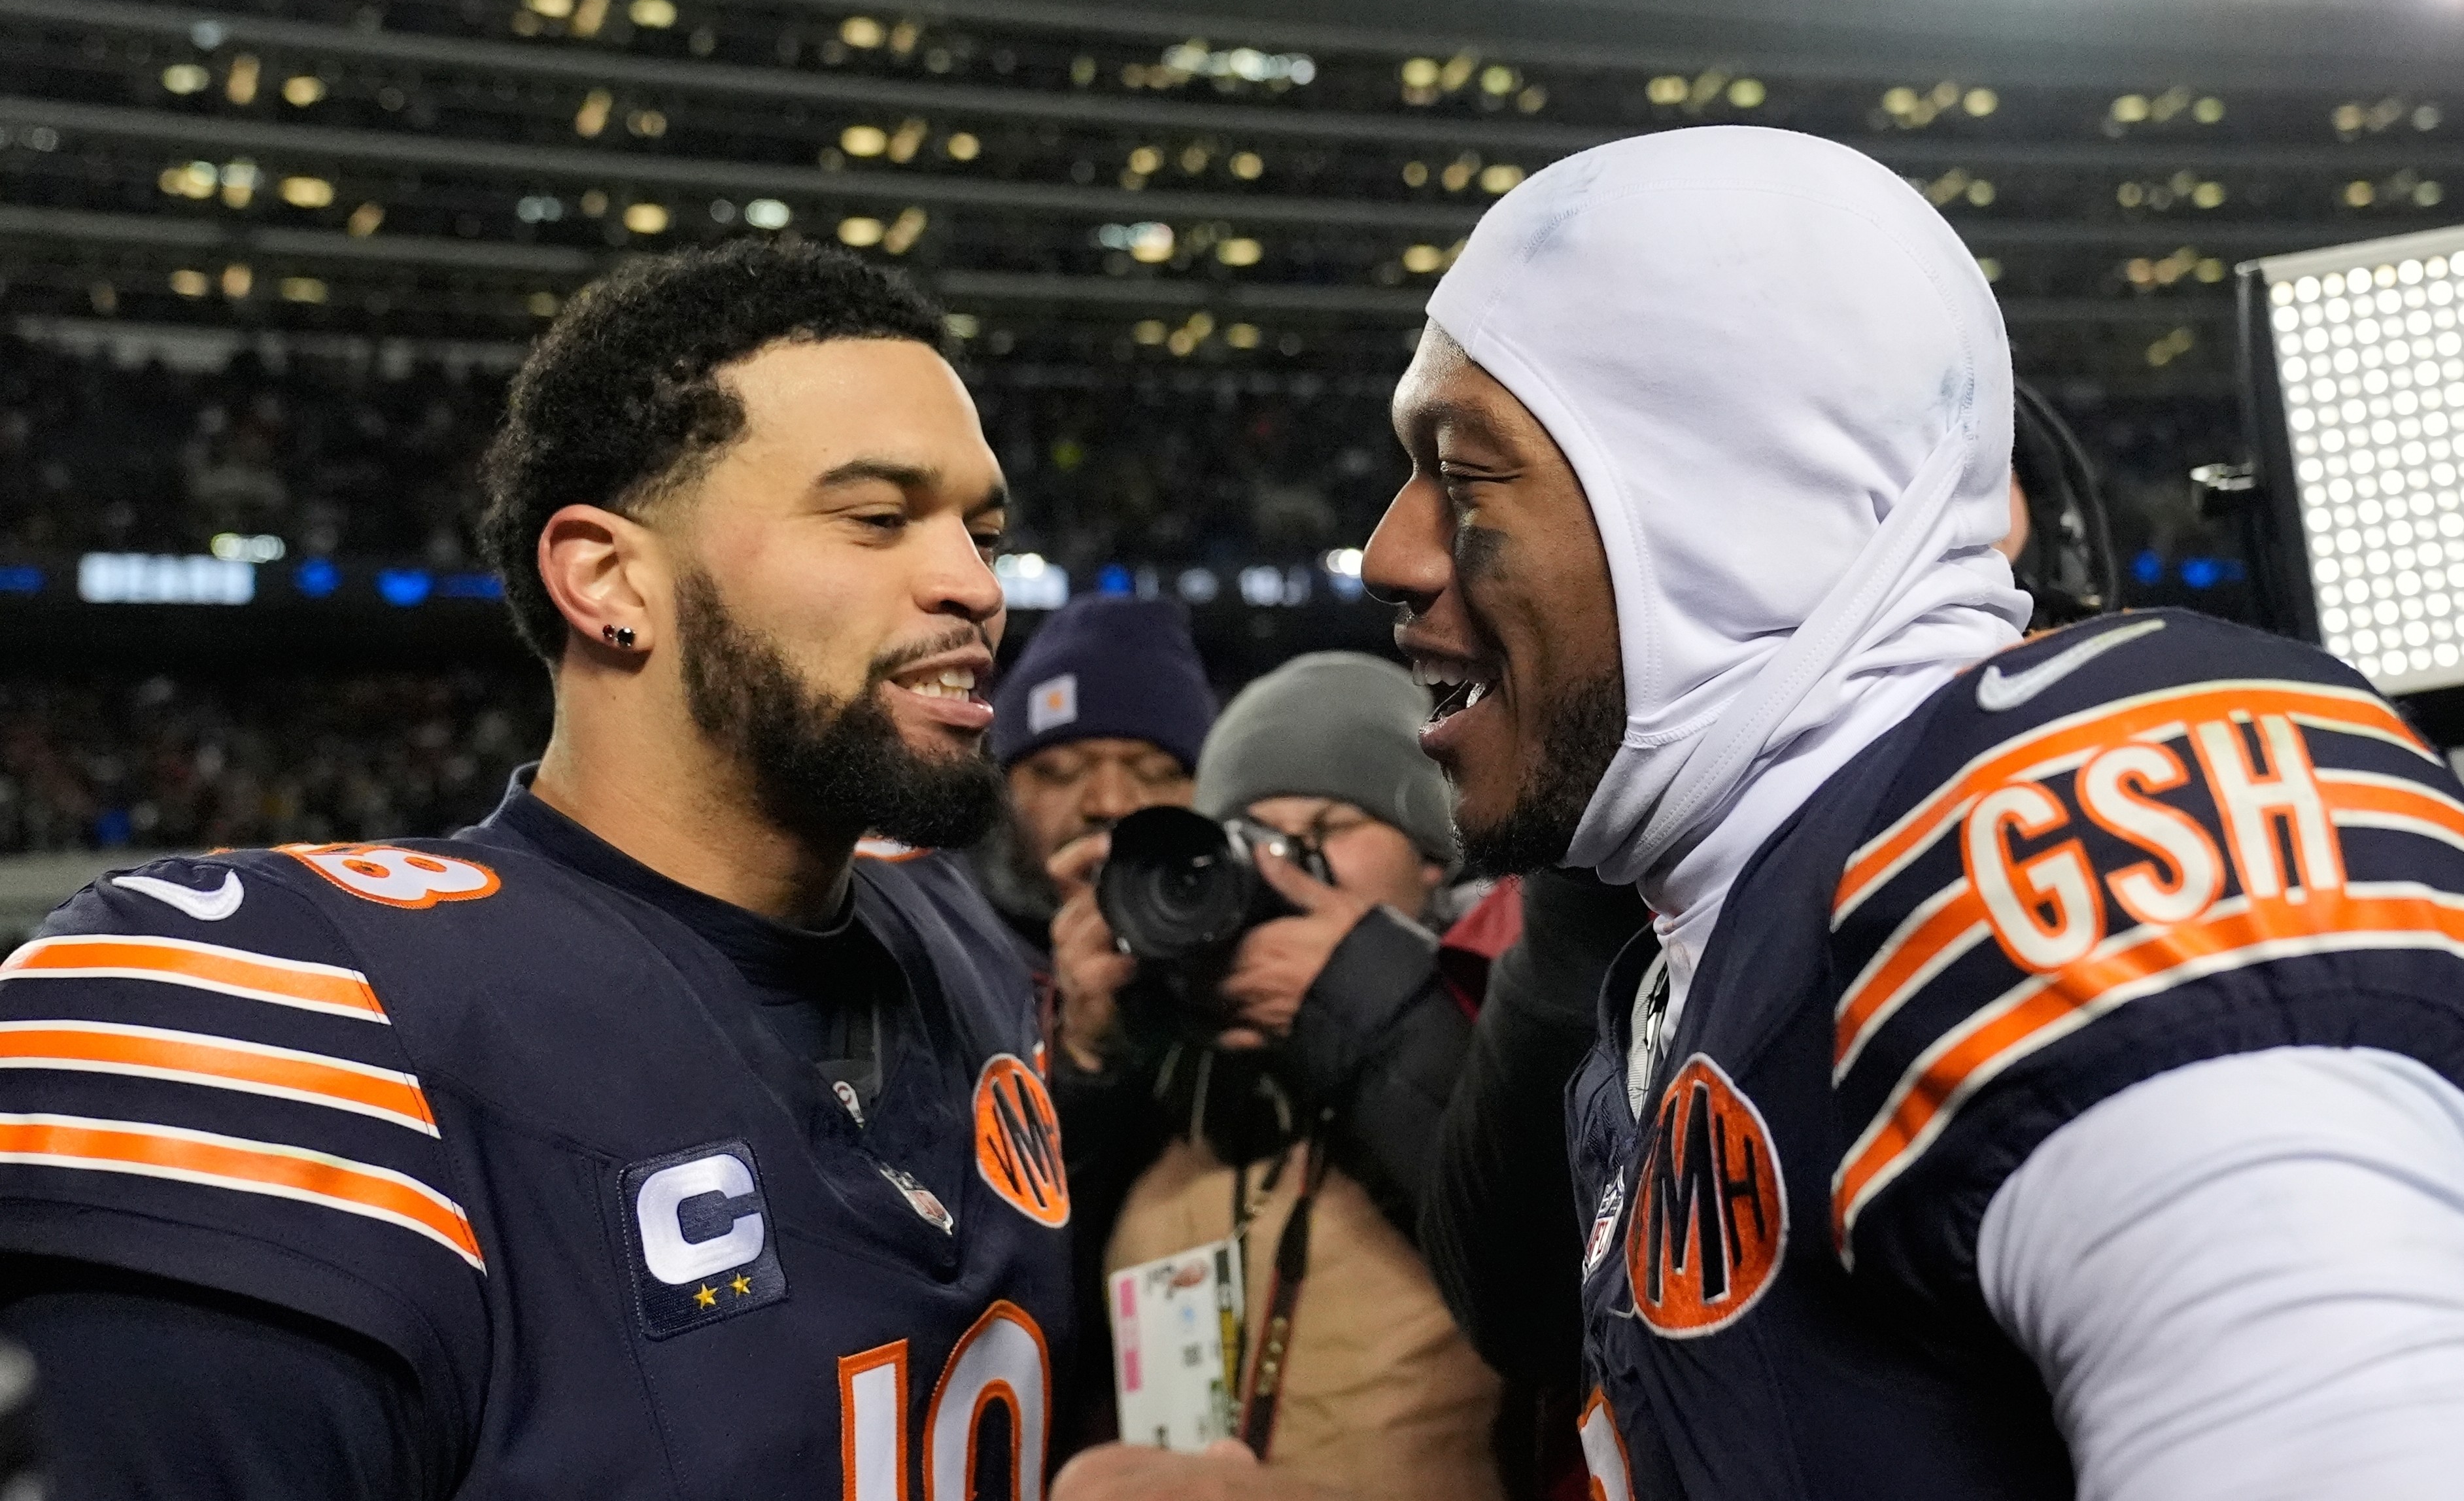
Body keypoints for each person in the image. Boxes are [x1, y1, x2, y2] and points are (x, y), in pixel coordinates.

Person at [1065, 125, 2464, 1498]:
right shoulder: (1688, 922)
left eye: (1464, 478)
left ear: (1714, 504)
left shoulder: (2081, 816)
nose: (1387, 554)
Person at [0, 242, 1072, 1499]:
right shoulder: (303, 1009)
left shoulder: (965, 939)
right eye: (877, 518)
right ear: (609, 579)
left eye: (979, 530)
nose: (971, 584)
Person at [1059, 653, 1502, 1500]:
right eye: (1250, 838)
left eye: (1327, 830)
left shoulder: (1496, 1024)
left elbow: (1532, 1250)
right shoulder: (1179, 1079)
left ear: (1433, 858)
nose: (1279, 870)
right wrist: (1092, 1066)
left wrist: (1358, 1000)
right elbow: (1036, 1312)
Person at [972, 596, 1221, 961]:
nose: (1110, 803)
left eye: (1156, 773)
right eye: (1060, 772)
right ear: (1000, 791)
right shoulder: (927, 957)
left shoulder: (1252, 974)